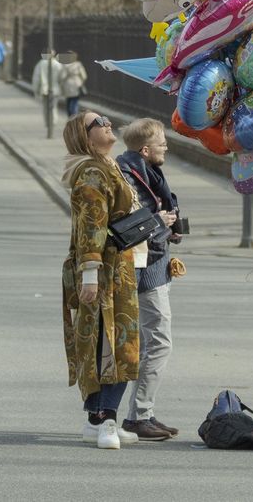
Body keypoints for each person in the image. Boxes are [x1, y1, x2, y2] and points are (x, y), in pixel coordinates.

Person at [61, 111, 143, 450]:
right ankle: (107, 417)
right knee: (117, 341)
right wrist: (91, 274)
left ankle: (96, 418)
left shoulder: (106, 166)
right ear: (85, 136)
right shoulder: (92, 171)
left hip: (117, 263)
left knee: (100, 340)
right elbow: (92, 225)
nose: (108, 124)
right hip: (105, 267)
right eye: (99, 123)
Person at [117, 118, 181, 441]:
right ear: (145, 149)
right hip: (144, 264)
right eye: (161, 142)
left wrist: (172, 226)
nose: (166, 146)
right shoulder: (130, 174)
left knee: (152, 342)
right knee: (159, 341)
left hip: (155, 260)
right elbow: (133, 220)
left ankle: (143, 413)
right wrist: (161, 221)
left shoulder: (146, 170)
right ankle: (138, 415)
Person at [31, 50, 65, 128]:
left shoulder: (41, 63)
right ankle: (53, 121)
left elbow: (36, 78)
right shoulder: (58, 64)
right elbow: (62, 77)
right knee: (54, 106)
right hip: (55, 89)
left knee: (45, 107)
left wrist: (35, 89)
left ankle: (47, 122)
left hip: (44, 89)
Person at [61, 51, 88, 117]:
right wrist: (81, 82)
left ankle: (70, 115)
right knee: (75, 101)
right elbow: (84, 76)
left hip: (67, 85)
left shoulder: (64, 65)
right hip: (77, 84)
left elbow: (62, 76)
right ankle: (74, 115)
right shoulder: (78, 65)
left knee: (68, 100)